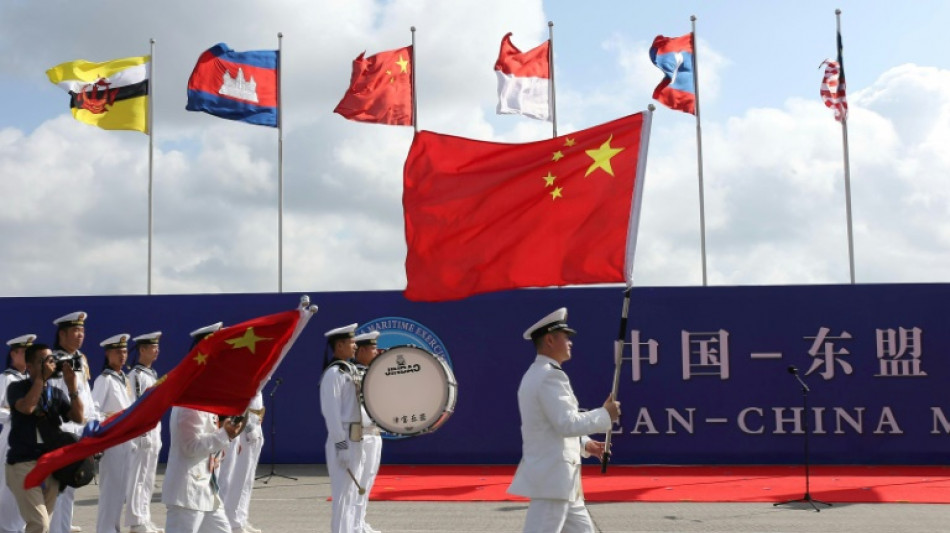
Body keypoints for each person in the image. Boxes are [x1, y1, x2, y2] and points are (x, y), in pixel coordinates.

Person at [507, 308, 621, 533]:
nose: (570, 343)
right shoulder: (550, 376)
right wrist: (605, 414)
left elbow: (551, 427)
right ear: (550, 340)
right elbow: (566, 423)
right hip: (553, 480)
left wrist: (585, 444)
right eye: (565, 337)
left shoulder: (538, 373)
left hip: (560, 481)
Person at [161, 322, 245, 533]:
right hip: (187, 495)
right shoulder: (190, 397)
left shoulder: (204, 394)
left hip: (206, 489)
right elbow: (190, 446)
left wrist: (226, 432)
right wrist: (224, 434)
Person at [5, 343, 84, 533]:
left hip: (49, 465)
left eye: (51, 360)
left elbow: (78, 417)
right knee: (40, 524)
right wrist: (40, 378)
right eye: (44, 361)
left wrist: (72, 387)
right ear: (30, 366)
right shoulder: (17, 387)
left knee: (40, 525)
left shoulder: (55, 393)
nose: (50, 364)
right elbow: (27, 407)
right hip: (22, 464)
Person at [48, 312, 99, 533]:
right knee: (57, 487)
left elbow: (86, 395)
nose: (80, 336)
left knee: (71, 485)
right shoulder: (54, 362)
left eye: (82, 331)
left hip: (80, 431)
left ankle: (63, 527)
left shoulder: (81, 359)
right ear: (62, 334)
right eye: (75, 331)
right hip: (62, 431)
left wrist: (95, 423)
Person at [319, 323, 363, 533]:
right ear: (340, 345)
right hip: (343, 436)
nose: (355, 346)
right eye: (352, 342)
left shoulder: (350, 370)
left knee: (351, 494)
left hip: (355, 435)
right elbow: (332, 414)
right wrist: (341, 445)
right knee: (342, 497)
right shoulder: (333, 374)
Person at [90, 334, 135, 533]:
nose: (122, 355)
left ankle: (113, 529)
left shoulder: (123, 378)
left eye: (124, 351)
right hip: (112, 442)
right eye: (117, 352)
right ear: (108, 354)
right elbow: (94, 410)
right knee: (110, 492)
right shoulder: (104, 380)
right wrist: (107, 425)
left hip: (126, 441)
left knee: (120, 492)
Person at [124, 332, 164, 533]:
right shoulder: (136, 376)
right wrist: (141, 433)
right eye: (153, 347)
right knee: (137, 477)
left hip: (153, 430)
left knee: (148, 478)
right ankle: (135, 520)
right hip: (142, 433)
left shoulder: (151, 374)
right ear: (142, 350)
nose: (157, 350)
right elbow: (135, 407)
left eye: (157, 346)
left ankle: (144, 516)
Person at [217, 389, 264, 533]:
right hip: (242, 429)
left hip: (255, 425)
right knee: (233, 479)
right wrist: (247, 426)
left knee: (247, 479)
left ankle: (240, 518)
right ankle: (231, 522)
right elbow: (238, 399)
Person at [1, 334, 35, 533]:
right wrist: (16, 414)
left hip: (29, 439)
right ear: (14, 354)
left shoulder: (30, 380)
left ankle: (19, 525)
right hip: (11, 438)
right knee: (8, 486)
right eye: (24, 352)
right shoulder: (6, 379)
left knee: (26, 485)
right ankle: (6, 527)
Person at [352, 331, 382, 533]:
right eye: (372, 348)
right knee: (357, 483)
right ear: (361, 351)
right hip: (360, 434)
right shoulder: (352, 373)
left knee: (368, 480)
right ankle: (352, 525)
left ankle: (360, 522)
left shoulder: (374, 373)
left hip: (375, 433)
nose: (377, 351)